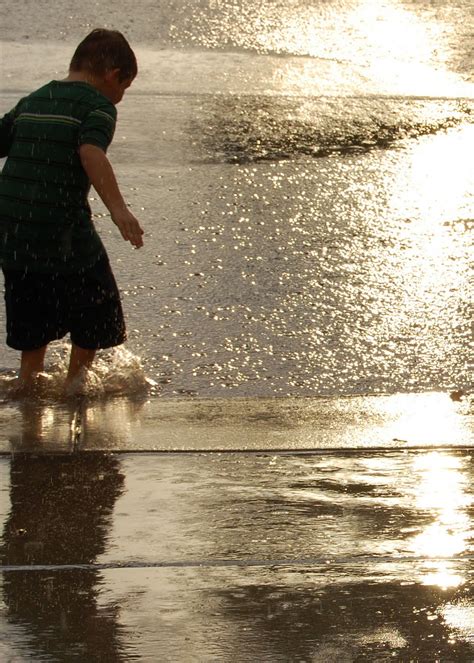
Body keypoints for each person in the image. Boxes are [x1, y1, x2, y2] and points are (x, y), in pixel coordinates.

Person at [0, 29, 144, 394]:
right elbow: (91, 153)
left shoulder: (35, 98)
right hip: (60, 226)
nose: (121, 97)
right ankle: (76, 383)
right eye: (125, 87)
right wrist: (119, 210)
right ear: (114, 75)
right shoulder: (98, 107)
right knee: (96, 300)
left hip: (12, 230)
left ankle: (28, 383)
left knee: (29, 304)